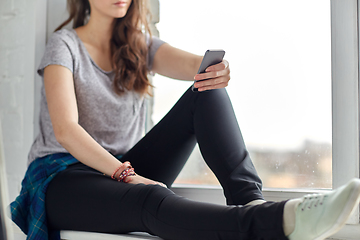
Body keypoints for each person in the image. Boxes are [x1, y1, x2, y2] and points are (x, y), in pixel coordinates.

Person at [9, 1, 360, 240]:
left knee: (205, 88)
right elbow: (66, 130)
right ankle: (279, 221)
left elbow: (197, 66)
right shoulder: (64, 45)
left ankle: (249, 200)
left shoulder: (139, 45)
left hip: (125, 166)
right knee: (148, 201)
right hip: (64, 178)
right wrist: (128, 176)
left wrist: (217, 71)